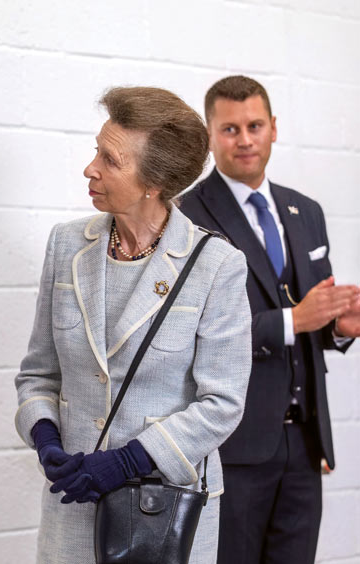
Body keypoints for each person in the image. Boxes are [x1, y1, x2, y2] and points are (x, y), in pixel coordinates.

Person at [14, 86, 252, 564]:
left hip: (161, 512)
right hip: (71, 503)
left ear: (154, 182)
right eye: (96, 151)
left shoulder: (216, 265)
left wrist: (127, 461)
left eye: (110, 159)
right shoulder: (66, 245)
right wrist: (45, 438)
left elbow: (222, 404)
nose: (90, 168)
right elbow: (38, 373)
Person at [178, 75, 360, 564]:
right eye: (230, 129)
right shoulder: (186, 216)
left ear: (273, 128)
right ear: (210, 135)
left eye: (254, 126)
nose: (245, 140)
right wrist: (292, 321)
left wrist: (338, 327)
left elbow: (311, 318)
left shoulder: (307, 211)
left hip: (305, 441)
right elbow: (188, 333)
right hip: (232, 447)